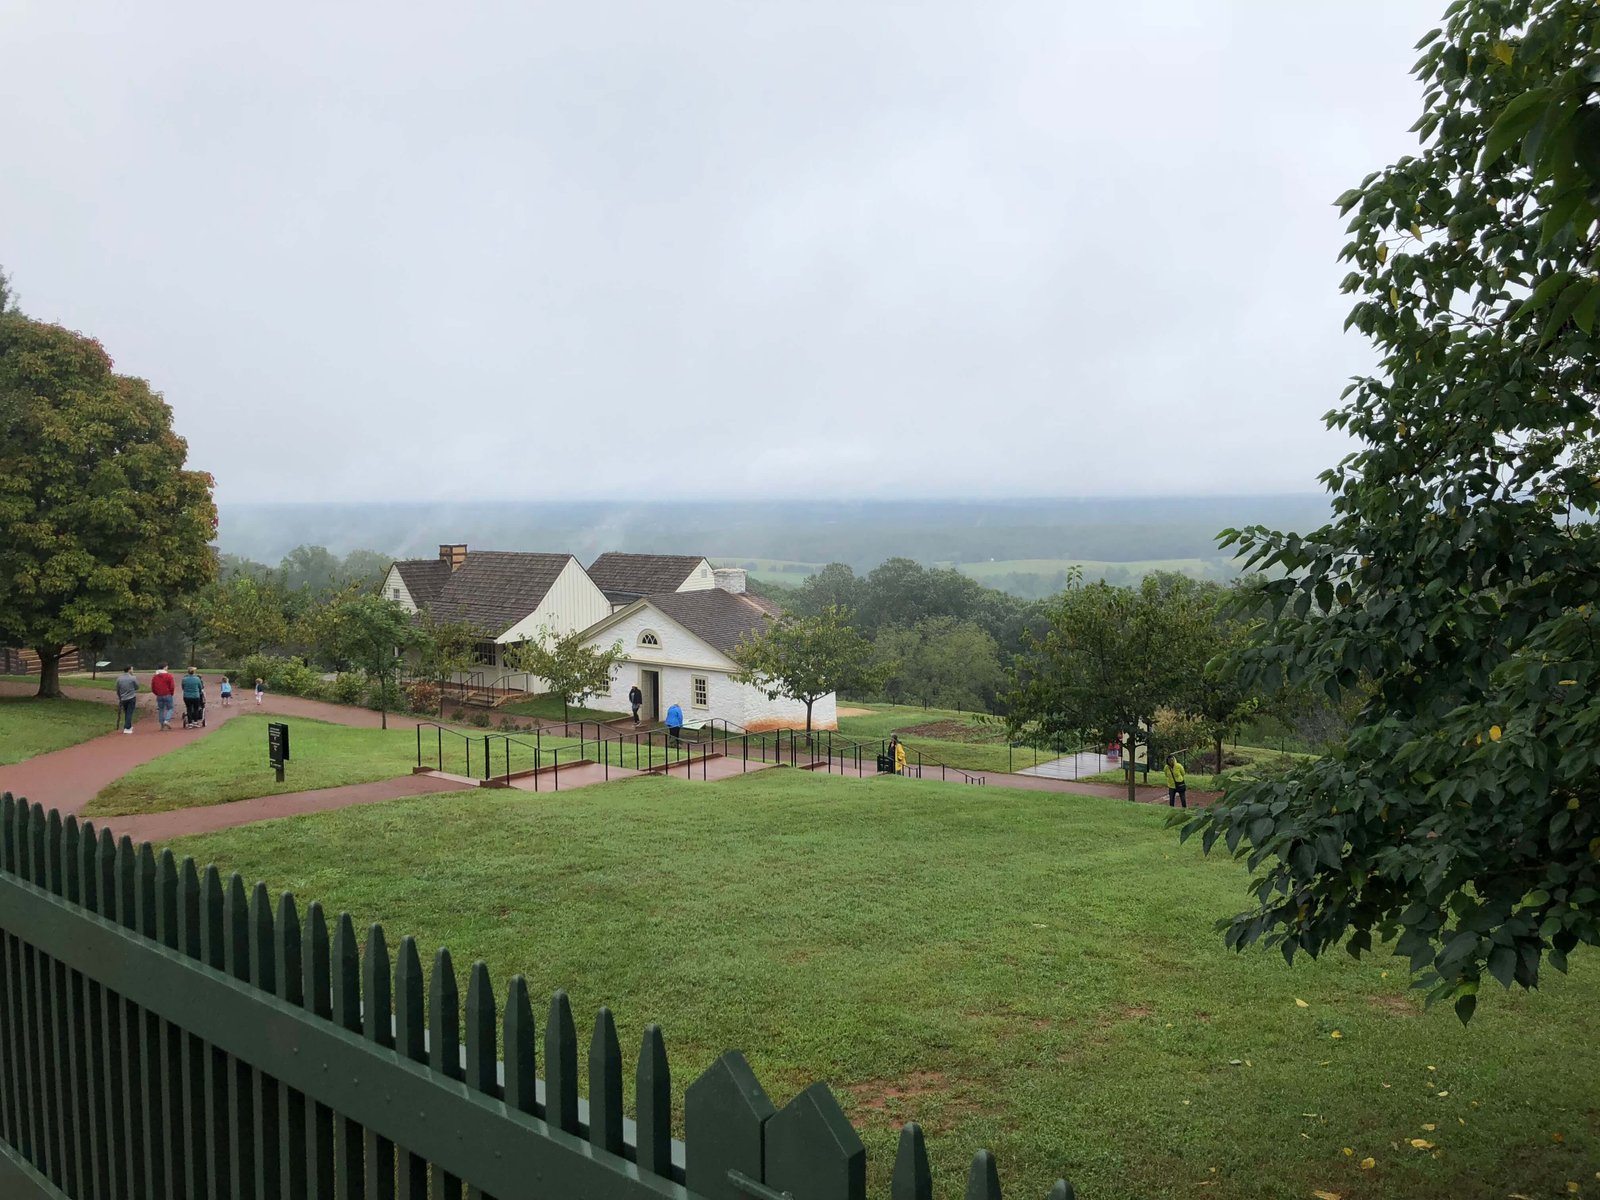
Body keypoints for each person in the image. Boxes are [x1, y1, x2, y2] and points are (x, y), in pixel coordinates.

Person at [150, 663, 176, 730]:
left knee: (161, 709)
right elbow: (172, 686)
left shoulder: (155, 677)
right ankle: (167, 720)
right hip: (167, 694)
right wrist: (171, 693)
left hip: (159, 695)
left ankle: (162, 724)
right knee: (170, 708)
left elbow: (153, 687)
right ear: (164, 667)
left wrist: (157, 693)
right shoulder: (169, 676)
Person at [114, 666, 138, 734]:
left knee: (126, 712)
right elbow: (137, 687)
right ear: (129, 670)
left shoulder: (119, 678)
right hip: (131, 697)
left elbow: (118, 689)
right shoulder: (133, 678)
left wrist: (120, 697)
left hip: (123, 698)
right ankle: (127, 728)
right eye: (132, 669)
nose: (133, 670)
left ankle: (128, 725)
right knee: (129, 712)